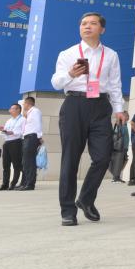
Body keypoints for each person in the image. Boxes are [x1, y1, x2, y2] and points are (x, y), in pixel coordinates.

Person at [51, 12, 126, 226]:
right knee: (70, 159)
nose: (87, 26)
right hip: (74, 105)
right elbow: (56, 82)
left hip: (101, 106)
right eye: (84, 23)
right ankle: (68, 210)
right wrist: (71, 74)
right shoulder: (68, 53)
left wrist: (119, 109)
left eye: (93, 23)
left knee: (103, 157)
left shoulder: (111, 55)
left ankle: (85, 199)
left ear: (102, 29)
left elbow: (115, 84)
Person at [17, 96, 43, 191]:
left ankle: (30, 184)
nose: (23, 105)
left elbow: (38, 124)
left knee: (30, 161)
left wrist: (39, 137)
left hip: (32, 137)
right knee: (25, 161)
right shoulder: (28, 113)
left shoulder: (35, 111)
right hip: (27, 137)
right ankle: (24, 182)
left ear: (28, 103)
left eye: (24, 104)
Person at [0, 104, 24, 190]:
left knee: (16, 165)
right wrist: (3, 130)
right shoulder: (9, 120)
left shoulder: (23, 119)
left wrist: (11, 132)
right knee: (5, 165)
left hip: (16, 142)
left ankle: (13, 184)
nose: (10, 110)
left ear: (18, 110)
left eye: (12, 108)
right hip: (7, 143)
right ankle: (4, 184)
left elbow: (22, 132)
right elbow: (5, 131)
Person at [109, 116, 129, 183]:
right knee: (118, 162)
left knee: (123, 161)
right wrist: (121, 123)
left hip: (124, 146)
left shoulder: (124, 125)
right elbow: (119, 134)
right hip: (120, 147)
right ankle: (116, 177)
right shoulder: (120, 125)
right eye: (126, 115)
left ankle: (117, 176)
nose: (127, 117)